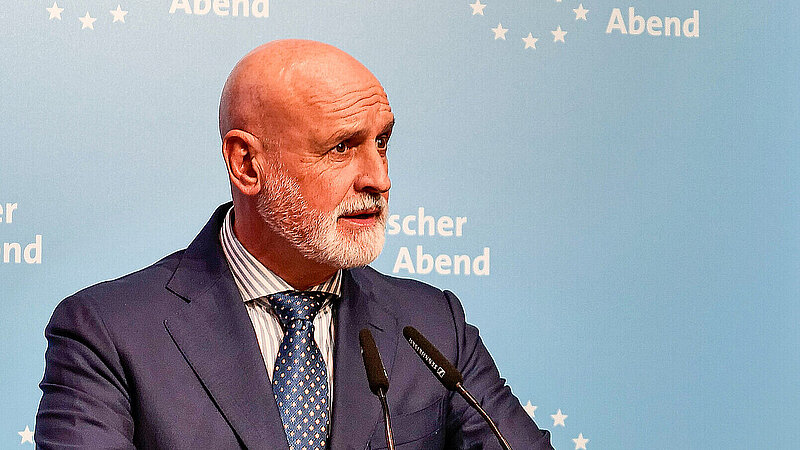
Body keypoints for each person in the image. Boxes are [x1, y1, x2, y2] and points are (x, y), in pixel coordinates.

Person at [35, 40, 553, 449]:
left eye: (381, 142)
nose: (379, 178)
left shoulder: (434, 325)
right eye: (342, 147)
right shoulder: (110, 331)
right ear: (247, 164)